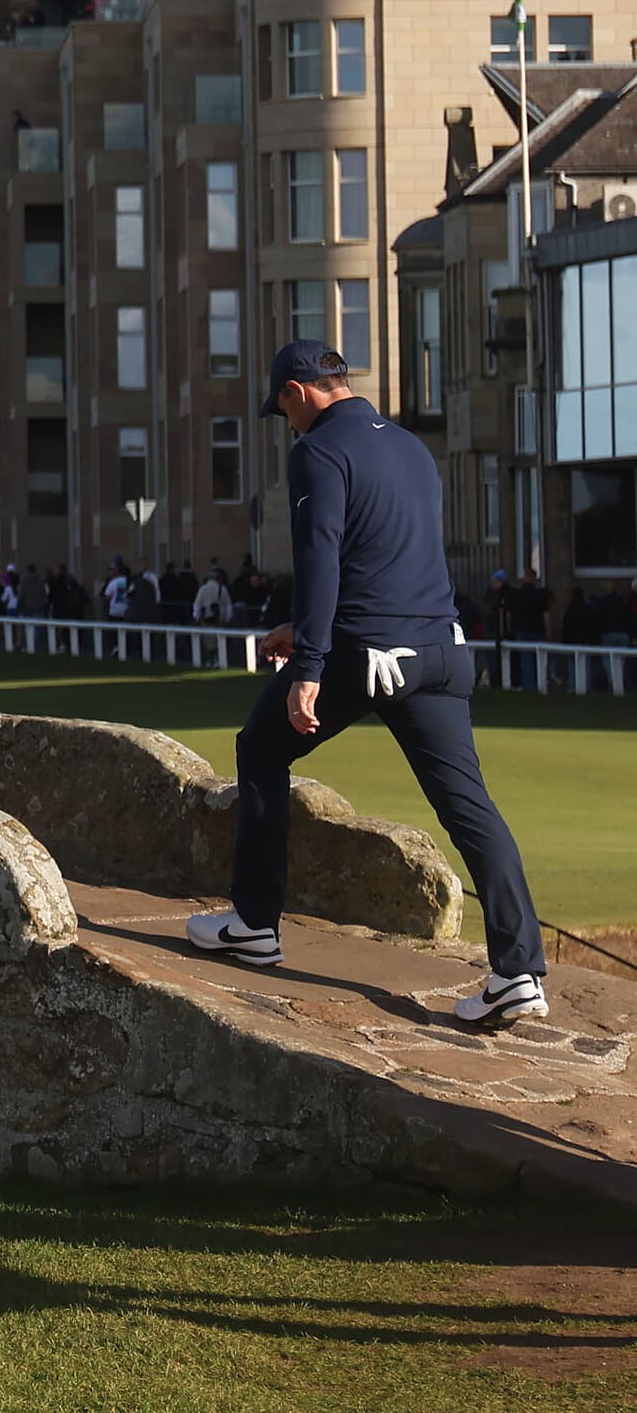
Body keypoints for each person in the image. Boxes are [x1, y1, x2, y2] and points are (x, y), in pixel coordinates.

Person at [187, 342, 548, 1024]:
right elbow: (388, 557)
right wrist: (307, 630)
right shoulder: (411, 447)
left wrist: (309, 668)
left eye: (282, 409)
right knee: (470, 809)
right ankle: (519, 970)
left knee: (262, 749)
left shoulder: (317, 453)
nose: (284, 423)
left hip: (371, 655)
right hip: (444, 650)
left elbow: (321, 557)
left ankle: (256, 926)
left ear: (299, 391)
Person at [508, 566, 555, 692]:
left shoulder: (516, 594)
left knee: (526, 661)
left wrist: (511, 627)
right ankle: (542, 684)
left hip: (522, 630)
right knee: (540, 660)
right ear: (534, 578)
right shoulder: (540, 594)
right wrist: (549, 632)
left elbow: (510, 613)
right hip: (538, 630)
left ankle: (529, 687)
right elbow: (546, 615)